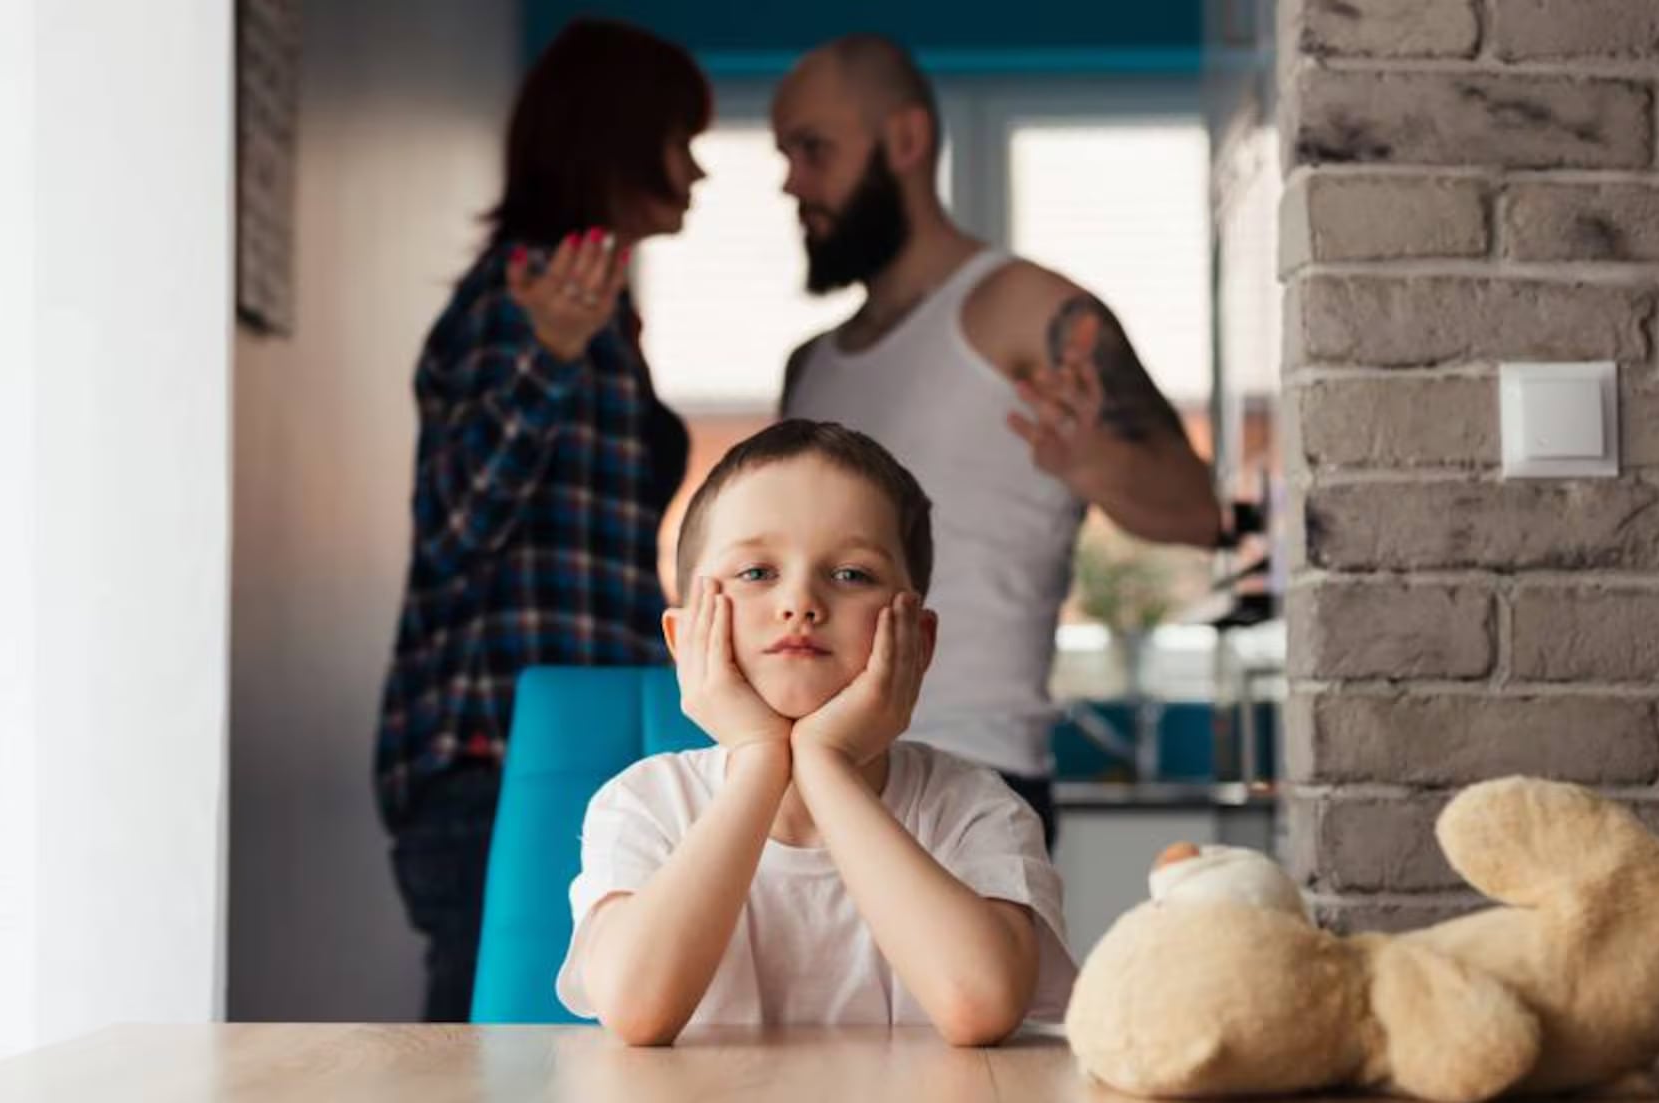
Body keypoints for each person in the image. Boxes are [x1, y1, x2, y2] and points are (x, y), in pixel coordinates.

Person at [773, 36, 1222, 847]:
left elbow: (1197, 511)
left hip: (970, 779)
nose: (791, 181)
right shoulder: (809, 366)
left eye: (813, 149)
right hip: (805, 777)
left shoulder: (1029, 310)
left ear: (906, 141)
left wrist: (1092, 462)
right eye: (785, 154)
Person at [373, 18, 710, 1022]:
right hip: (497, 756)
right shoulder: (523, 300)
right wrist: (546, 358)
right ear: (618, 135)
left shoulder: (595, 308)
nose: (694, 169)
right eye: (679, 137)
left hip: (563, 745)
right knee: (501, 1058)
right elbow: (453, 527)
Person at [555, 420, 1073, 1045]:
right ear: (682, 638)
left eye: (852, 574)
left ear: (918, 640)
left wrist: (825, 764)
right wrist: (758, 759)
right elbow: (637, 1009)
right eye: (756, 573)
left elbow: (982, 1006)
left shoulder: (974, 808)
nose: (800, 601)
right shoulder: (642, 804)